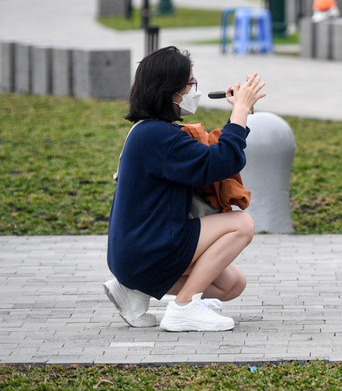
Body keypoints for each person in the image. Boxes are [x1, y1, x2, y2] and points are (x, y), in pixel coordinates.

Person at [104, 46, 266, 332]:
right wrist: (240, 112)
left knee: (231, 285)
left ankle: (134, 290)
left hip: (136, 254)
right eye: (191, 83)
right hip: (147, 250)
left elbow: (210, 160)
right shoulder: (158, 137)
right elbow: (223, 162)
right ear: (170, 90)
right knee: (242, 224)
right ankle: (183, 307)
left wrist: (238, 117)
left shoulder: (149, 131)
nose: (194, 90)